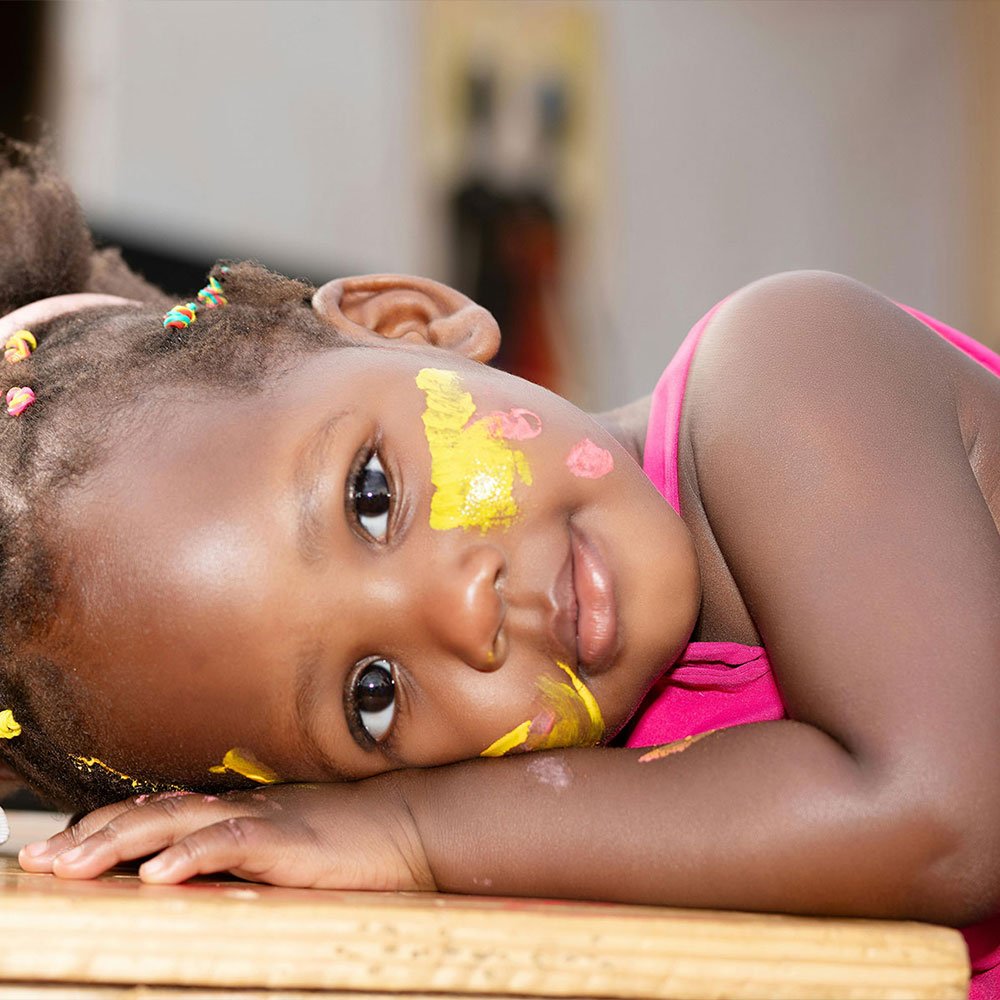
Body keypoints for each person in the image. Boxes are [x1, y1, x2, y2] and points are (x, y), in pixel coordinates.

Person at [0, 142, 997, 997]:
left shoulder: (790, 370)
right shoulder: (566, 813)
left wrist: (411, 833)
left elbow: (940, 815)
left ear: (406, 322)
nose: (462, 612)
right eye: (373, 697)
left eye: (371, 494)